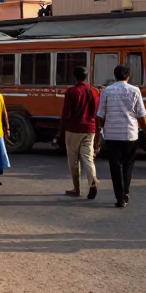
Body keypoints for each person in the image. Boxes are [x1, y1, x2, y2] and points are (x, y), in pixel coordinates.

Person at [95, 64, 146, 208]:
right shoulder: (135, 90)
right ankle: (125, 192)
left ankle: (119, 197)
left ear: (115, 76)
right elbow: (142, 115)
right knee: (128, 164)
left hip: (112, 134)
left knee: (115, 166)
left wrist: (98, 135)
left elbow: (100, 115)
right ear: (128, 76)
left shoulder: (107, 91)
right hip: (129, 134)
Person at [56, 66, 99, 200]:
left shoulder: (71, 92)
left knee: (73, 160)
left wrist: (60, 132)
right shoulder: (94, 91)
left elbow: (66, 114)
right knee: (88, 158)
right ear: (86, 76)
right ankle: (92, 182)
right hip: (90, 128)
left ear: (74, 77)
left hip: (74, 129)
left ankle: (77, 189)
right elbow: (97, 112)